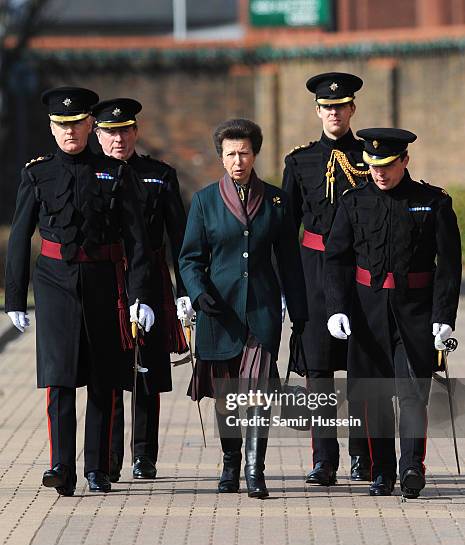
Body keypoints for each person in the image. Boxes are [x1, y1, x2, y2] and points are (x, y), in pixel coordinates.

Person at [4, 87, 154, 495]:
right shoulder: (37, 173)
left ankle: (98, 468)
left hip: (104, 281)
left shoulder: (115, 172)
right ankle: (60, 466)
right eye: (61, 125)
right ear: (52, 129)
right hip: (54, 283)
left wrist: (139, 294)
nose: (70, 131)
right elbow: (20, 237)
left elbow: (137, 240)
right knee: (60, 378)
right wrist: (14, 298)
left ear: (91, 124)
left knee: (104, 378)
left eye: (76, 123)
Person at [325, 128, 462, 497]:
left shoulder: (432, 202)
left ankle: (412, 466)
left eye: (386, 165)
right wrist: (336, 308)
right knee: (372, 394)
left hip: (415, 310)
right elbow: (337, 259)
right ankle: (382, 471)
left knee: (412, 392)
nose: (378, 173)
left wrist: (443, 316)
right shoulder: (354, 201)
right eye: (372, 165)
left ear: (404, 160)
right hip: (367, 311)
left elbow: (449, 264)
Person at [179, 118, 307, 499]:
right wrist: (199, 293)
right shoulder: (204, 201)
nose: (238, 160)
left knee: (256, 393)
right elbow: (189, 258)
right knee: (227, 394)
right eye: (231, 154)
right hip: (218, 311)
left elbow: (290, 262)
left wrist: (299, 314)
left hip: (261, 312)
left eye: (244, 153)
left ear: (255, 154)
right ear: (221, 157)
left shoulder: (277, 201)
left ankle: (255, 470)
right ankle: (231, 462)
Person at [92, 98, 190, 481]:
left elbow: (179, 237)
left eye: (124, 131)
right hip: (105, 276)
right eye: (110, 132)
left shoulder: (159, 174)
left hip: (148, 277)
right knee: (110, 370)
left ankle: (143, 455)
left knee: (147, 369)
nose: (118, 139)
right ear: (97, 135)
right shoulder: (89, 173)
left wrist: (184, 292)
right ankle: (110, 457)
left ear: (135, 132)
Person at [282, 72, 371, 486]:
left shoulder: (372, 155)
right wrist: (287, 284)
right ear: (317, 111)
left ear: (352, 109)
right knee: (318, 369)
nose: (334, 112)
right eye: (327, 107)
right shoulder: (299, 161)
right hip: (314, 268)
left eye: (341, 106)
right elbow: (286, 228)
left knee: (361, 366)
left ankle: (364, 455)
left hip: (359, 269)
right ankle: (324, 459)